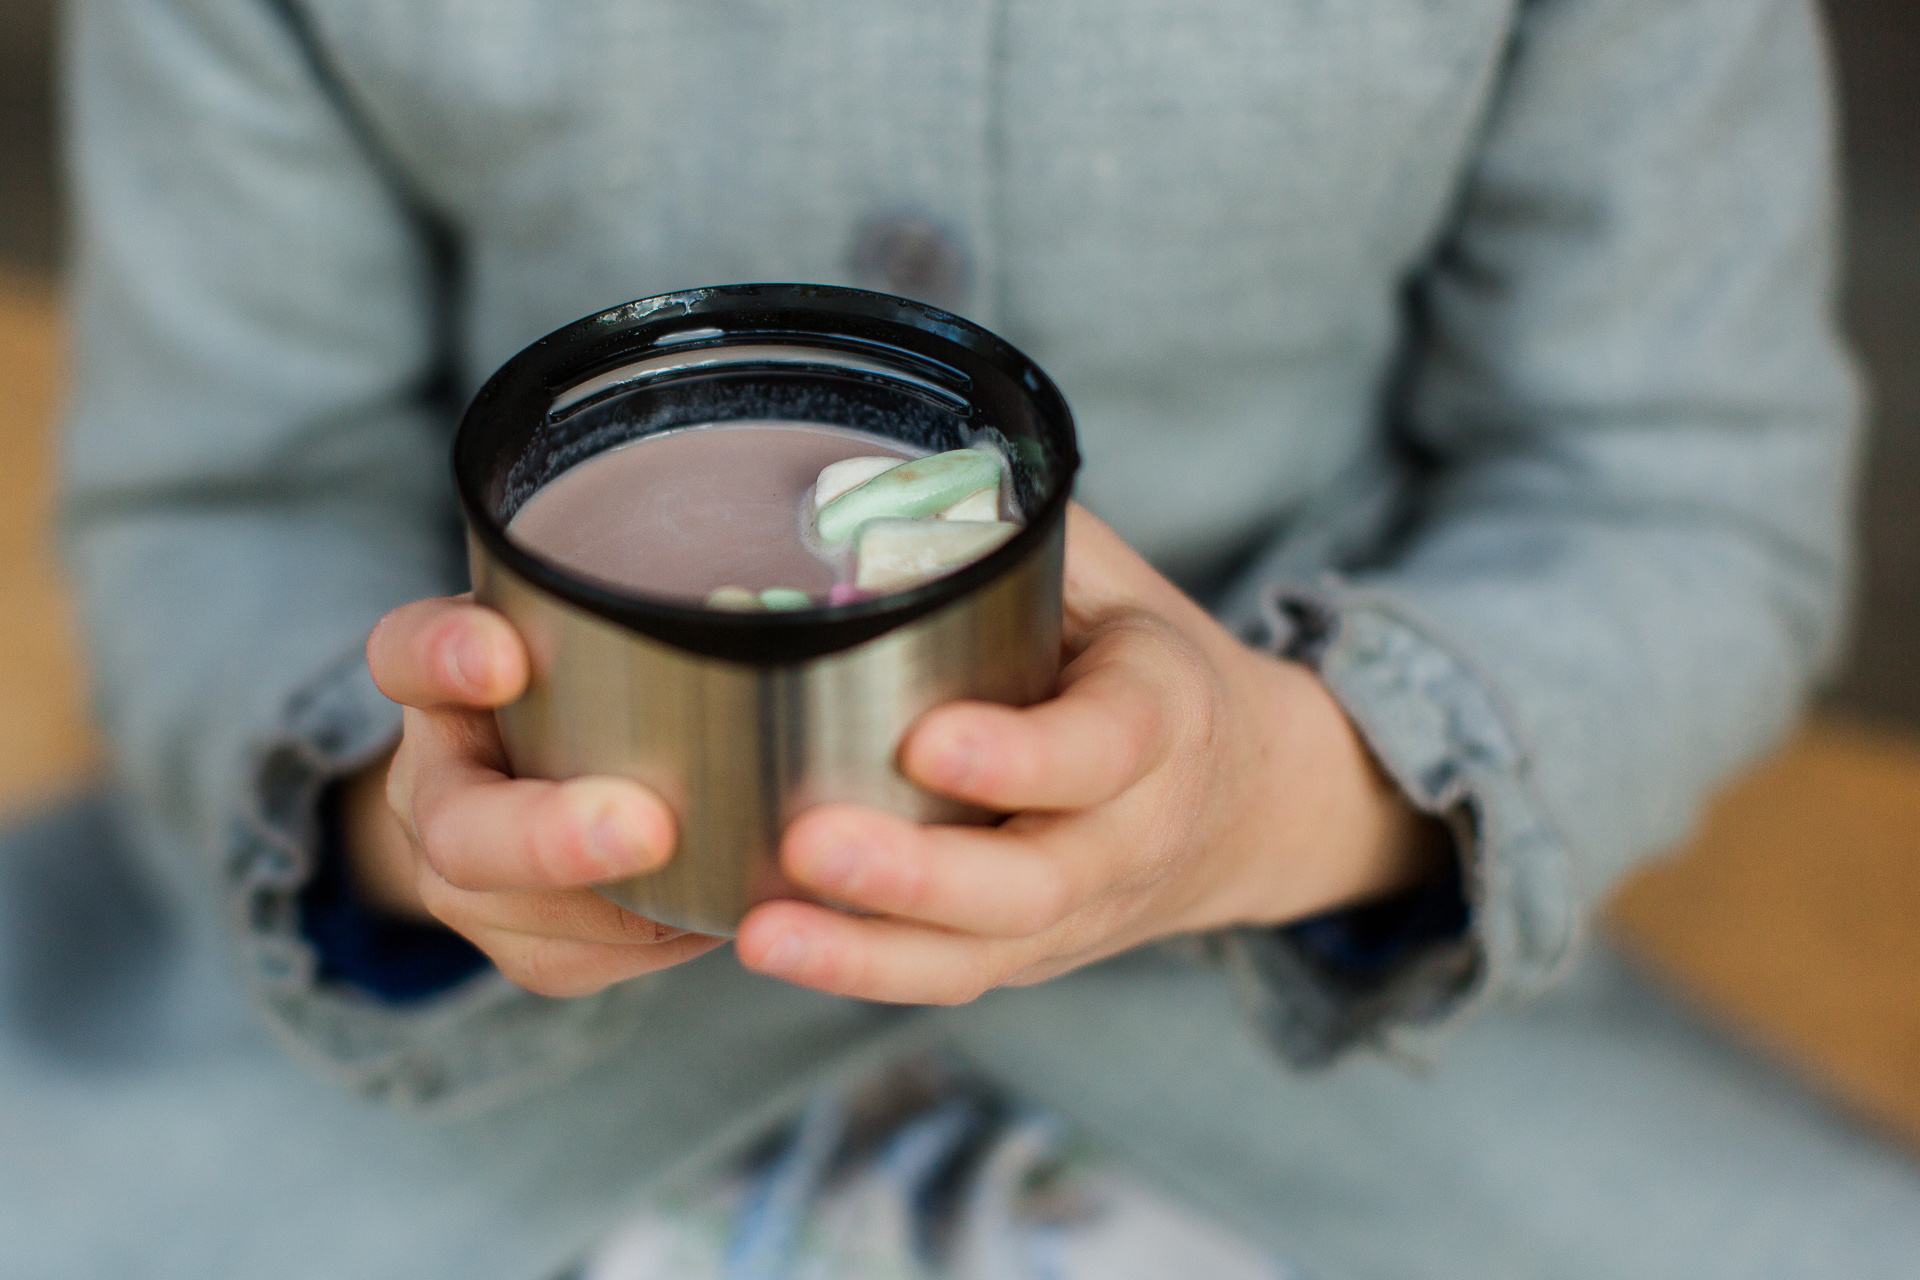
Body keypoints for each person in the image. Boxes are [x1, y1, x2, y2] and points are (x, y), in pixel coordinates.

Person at [13, 0, 1913, 1275]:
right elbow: (220, 504)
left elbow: (1682, 498)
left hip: (1330, 1056)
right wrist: (409, 834)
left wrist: (1277, 799)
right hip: (417, 1080)